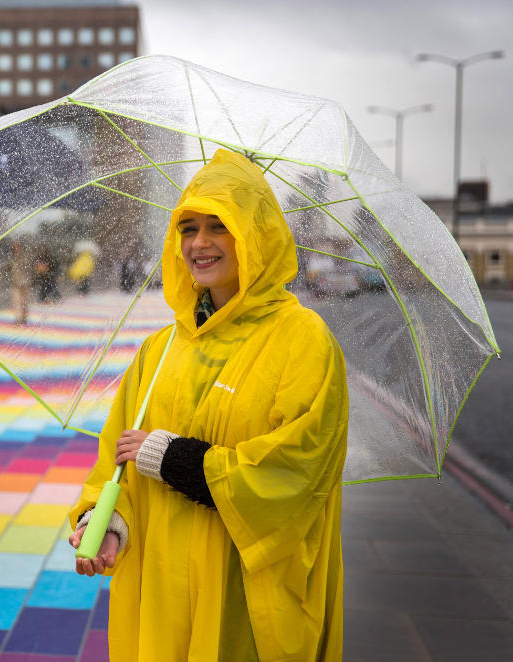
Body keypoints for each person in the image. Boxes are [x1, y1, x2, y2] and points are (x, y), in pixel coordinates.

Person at [68, 149, 348, 661]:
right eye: (187, 227)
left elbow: (299, 470)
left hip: (242, 594)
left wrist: (178, 460)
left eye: (219, 226)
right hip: (159, 592)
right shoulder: (162, 347)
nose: (199, 244)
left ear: (256, 235)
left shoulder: (303, 340)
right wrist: (107, 520)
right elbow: (116, 456)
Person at [8, 238, 33, 325]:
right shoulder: (11, 257)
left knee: (24, 301)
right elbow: (7, 269)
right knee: (16, 301)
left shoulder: (25, 256)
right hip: (15, 283)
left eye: (18, 245)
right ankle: (18, 318)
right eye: (15, 245)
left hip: (25, 282)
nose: (17, 247)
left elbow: (29, 267)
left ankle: (24, 317)